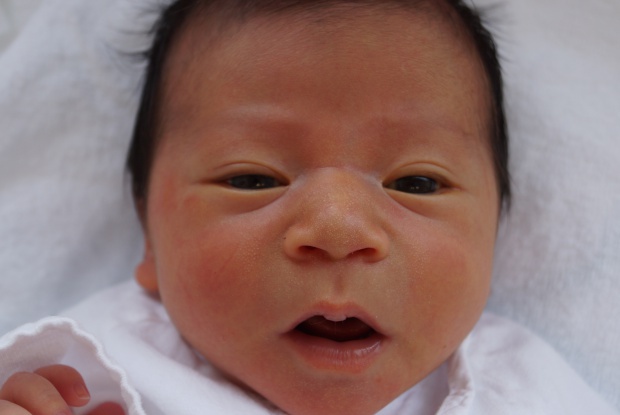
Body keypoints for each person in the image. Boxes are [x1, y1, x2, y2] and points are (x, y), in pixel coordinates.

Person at [0, 1, 616, 414]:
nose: (338, 228)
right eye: (251, 179)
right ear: (151, 242)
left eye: (418, 183)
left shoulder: (524, 388)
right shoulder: (90, 370)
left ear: (493, 235)